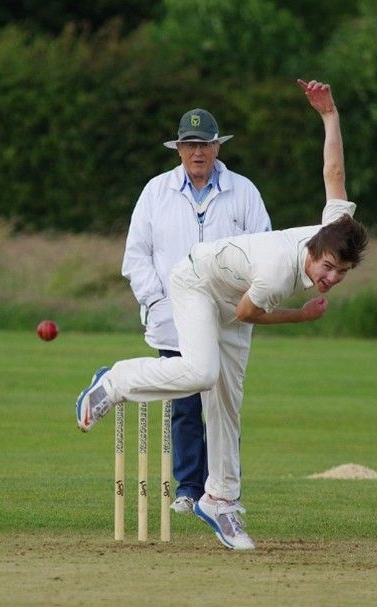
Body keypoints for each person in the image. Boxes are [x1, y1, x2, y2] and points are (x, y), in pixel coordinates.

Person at [76, 79, 368, 550]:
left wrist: (329, 115)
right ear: (313, 250)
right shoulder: (277, 272)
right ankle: (114, 382)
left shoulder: (333, 229)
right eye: (327, 268)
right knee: (201, 372)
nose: (330, 277)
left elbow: (333, 171)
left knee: (227, 404)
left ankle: (221, 501)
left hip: (235, 295)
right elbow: (247, 312)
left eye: (341, 273)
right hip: (197, 283)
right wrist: (303, 315)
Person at [122, 106, 272, 516]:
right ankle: (189, 488)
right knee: (185, 405)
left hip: (228, 318)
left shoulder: (243, 192)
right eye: (190, 145)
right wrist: (156, 300)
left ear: (217, 146)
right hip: (173, 318)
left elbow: (264, 248)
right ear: (179, 150)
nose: (198, 152)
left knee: (223, 408)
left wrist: (245, 299)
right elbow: (136, 256)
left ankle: (223, 491)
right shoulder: (156, 192)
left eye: (205, 144)